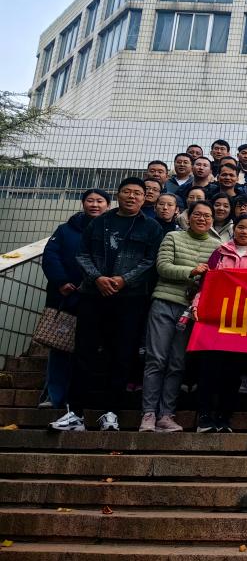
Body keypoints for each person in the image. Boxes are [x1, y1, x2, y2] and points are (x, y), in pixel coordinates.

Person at [51, 178, 162, 433]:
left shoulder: (151, 227)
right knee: (84, 353)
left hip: (130, 299)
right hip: (93, 295)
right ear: (118, 195)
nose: (132, 196)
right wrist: (97, 278)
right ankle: (75, 413)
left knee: (122, 355)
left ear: (145, 198)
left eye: (137, 193)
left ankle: (111, 412)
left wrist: (124, 280)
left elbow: (150, 261)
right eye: (127, 192)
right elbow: (82, 254)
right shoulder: (99, 222)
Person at [136, 200, 222, 433]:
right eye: (198, 214)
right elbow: (162, 267)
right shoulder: (172, 237)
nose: (202, 219)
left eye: (207, 216)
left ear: (212, 220)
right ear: (188, 217)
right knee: (156, 359)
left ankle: (166, 414)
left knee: (177, 363)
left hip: (192, 310)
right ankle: (148, 414)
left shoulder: (218, 246)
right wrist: (191, 272)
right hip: (164, 303)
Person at [193, 214, 247, 433]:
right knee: (210, 368)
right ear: (234, 229)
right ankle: (204, 417)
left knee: (233, 370)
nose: (244, 232)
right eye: (241, 227)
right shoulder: (220, 252)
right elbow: (206, 282)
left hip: (242, 320)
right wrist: (197, 305)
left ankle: (225, 418)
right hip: (215, 316)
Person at [39, 188, 111, 410]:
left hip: (99, 298)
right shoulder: (65, 230)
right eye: (90, 200)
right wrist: (61, 281)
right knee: (60, 348)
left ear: (108, 205)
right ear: (83, 203)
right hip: (66, 297)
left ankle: (79, 398)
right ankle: (54, 395)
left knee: (90, 350)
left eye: (100, 201)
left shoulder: (112, 229)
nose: (95, 205)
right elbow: (51, 256)